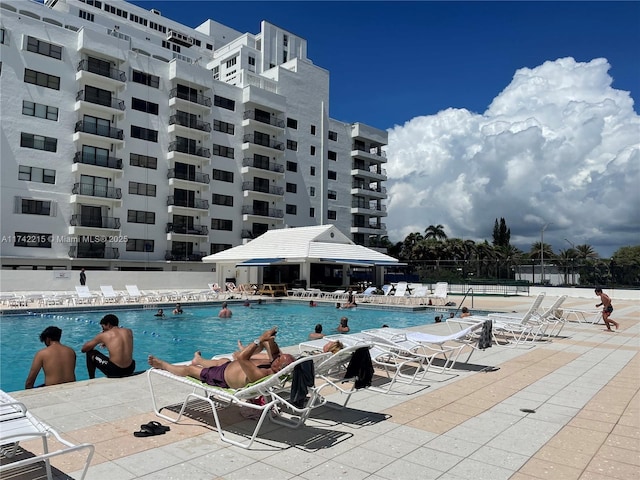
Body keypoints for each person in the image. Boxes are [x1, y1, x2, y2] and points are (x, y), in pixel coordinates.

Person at [148, 327, 295, 389]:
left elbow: (243, 358)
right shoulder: (274, 367)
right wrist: (270, 339)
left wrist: (259, 339)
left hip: (221, 377)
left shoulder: (261, 374)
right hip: (227, 367)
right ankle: (199, 360)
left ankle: (163, 365)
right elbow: (274, 353)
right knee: (223, 361)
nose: (278, 356)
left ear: (278, 367)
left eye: (280, 358)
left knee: (190, 369)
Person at [82, 314, 135, 379]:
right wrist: (105, 342)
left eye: (103, 327)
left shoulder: (104, 335)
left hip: (115, 371)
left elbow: (84, 349)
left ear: (108, 324)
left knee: (90, 353)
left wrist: (99, 339)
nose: (103, 329)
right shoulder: (129, 331)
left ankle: (91, 378)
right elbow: (120, 343)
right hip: (130, 369)